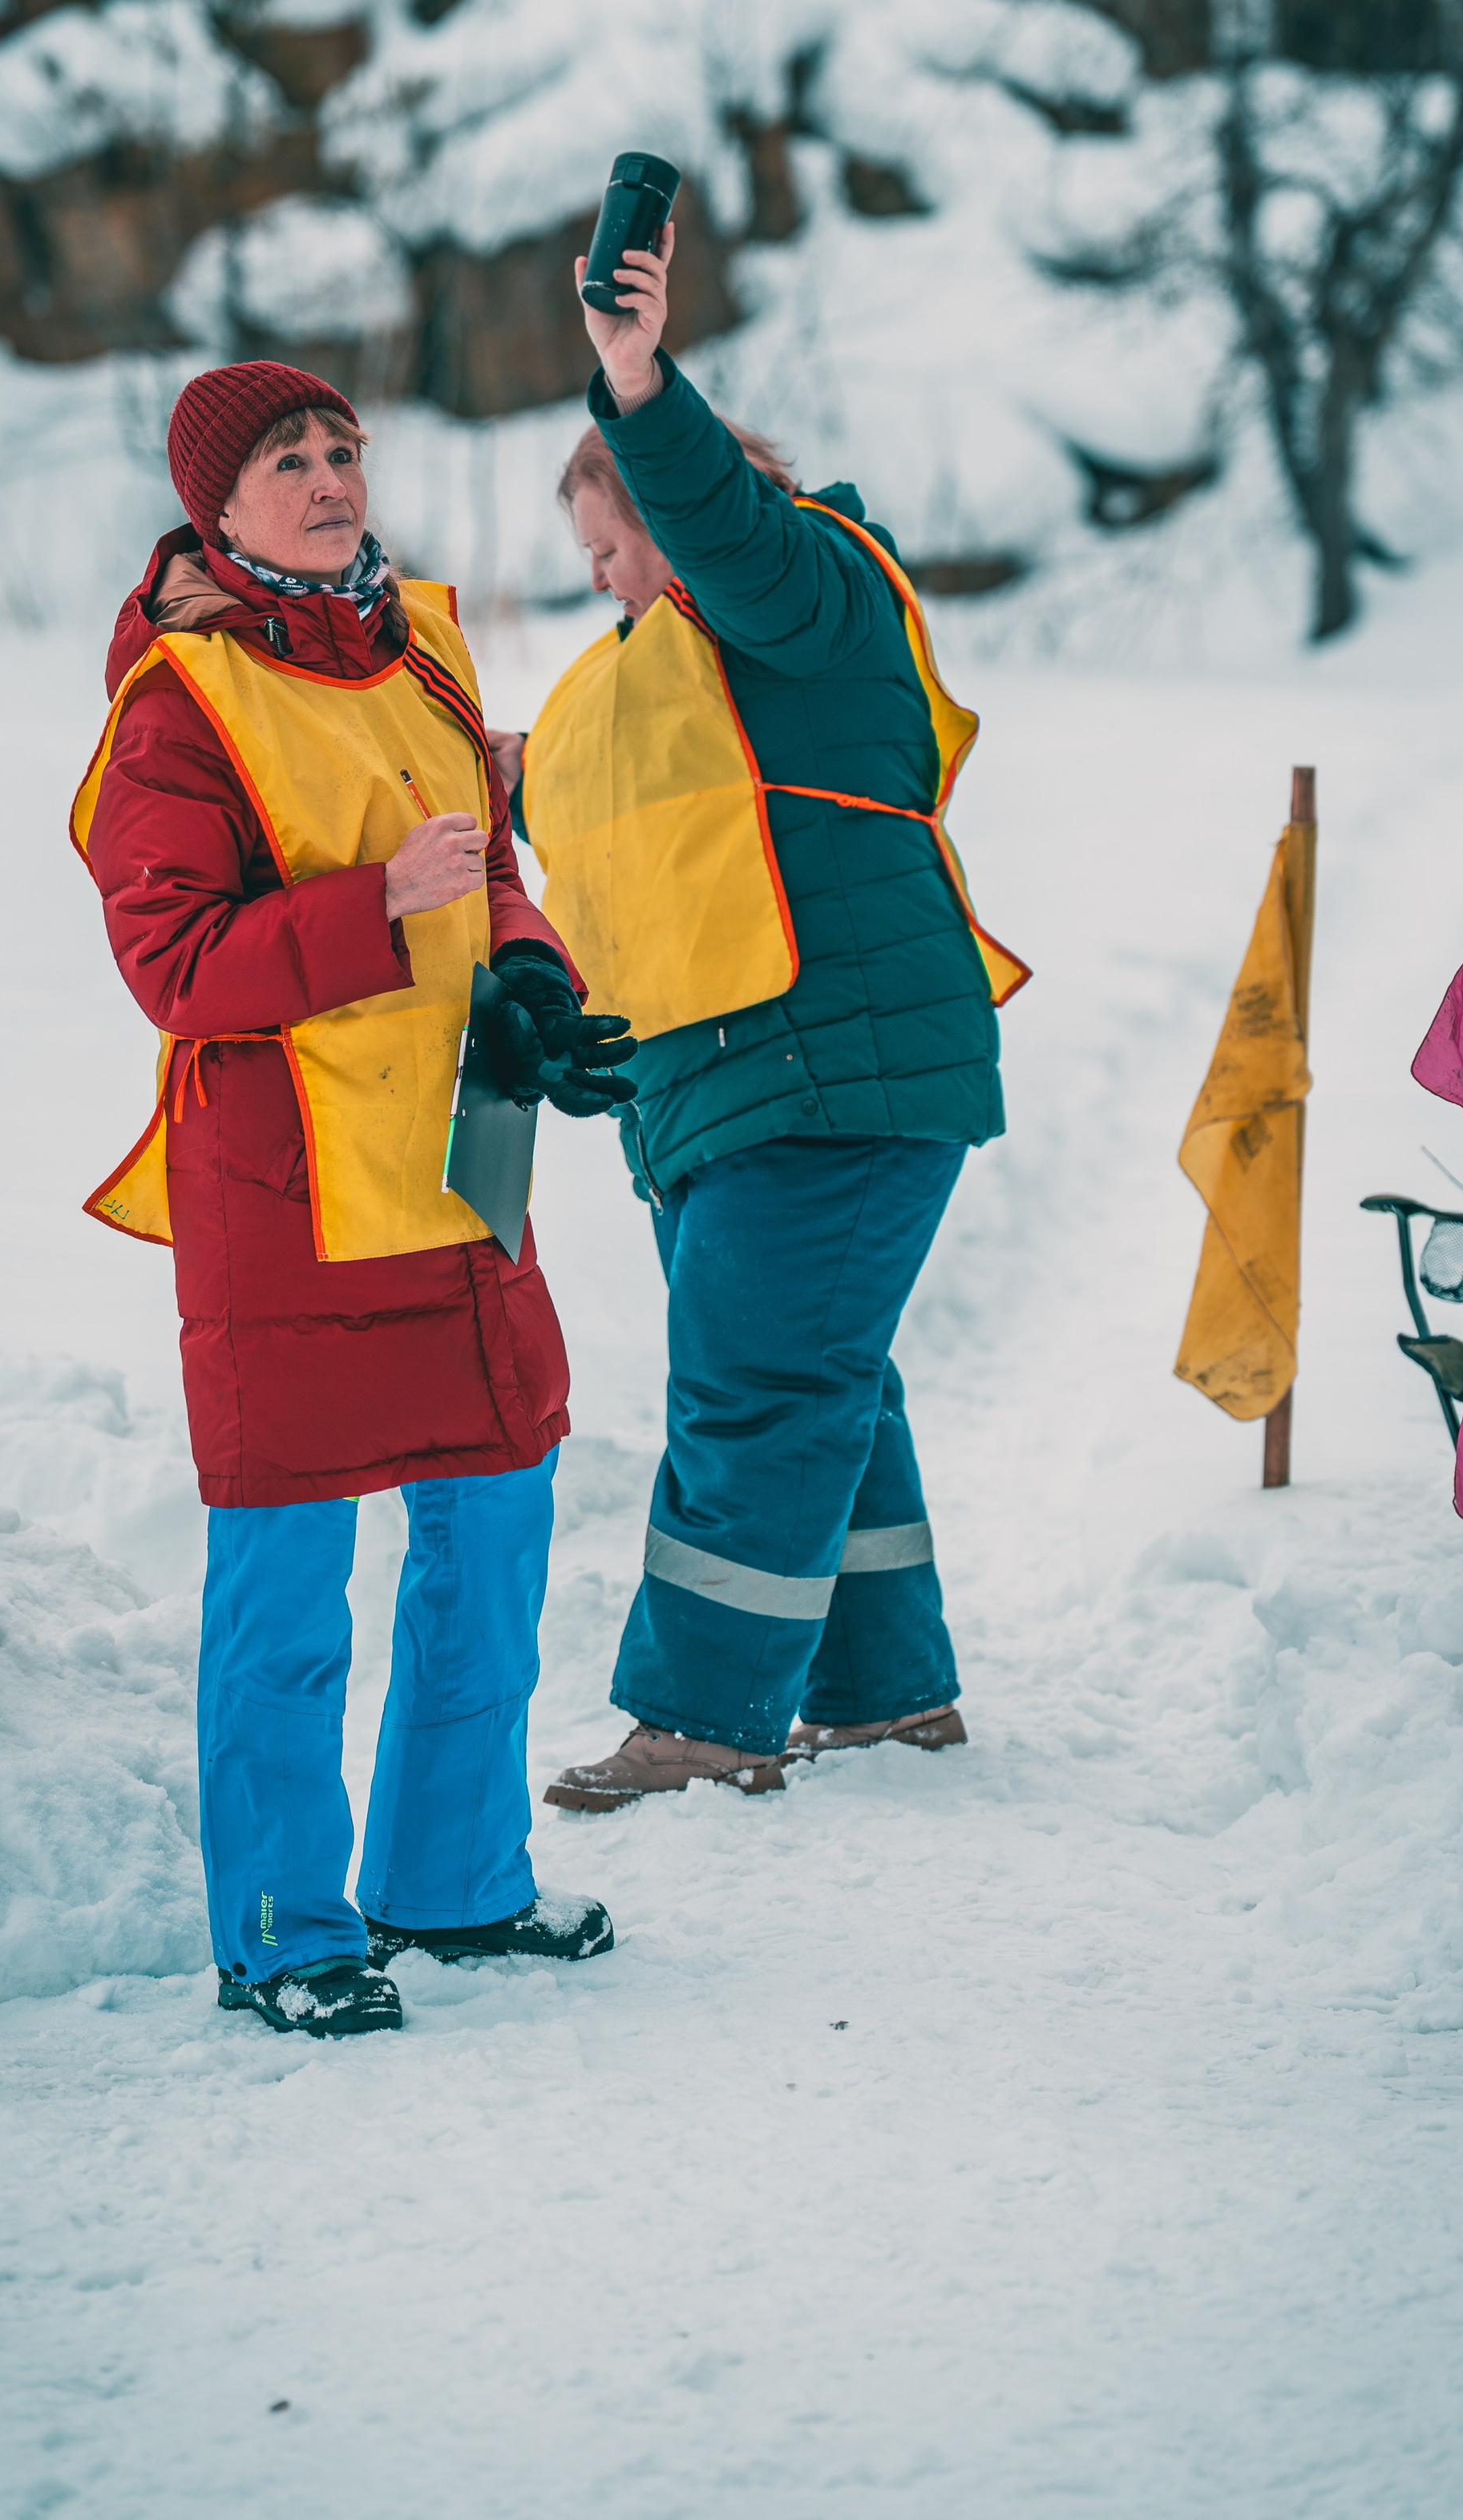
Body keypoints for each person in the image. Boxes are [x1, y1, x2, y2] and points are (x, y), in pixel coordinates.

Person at [75, 360, 637, 2037]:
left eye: (341, 450)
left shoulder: (423, 645)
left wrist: (529, 980)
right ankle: (281, 1932)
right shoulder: (175, 703)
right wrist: (375, 911)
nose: (328, 479)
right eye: (287, 461)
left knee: (496, 1527)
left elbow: (495, 871)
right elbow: (172, 964)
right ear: (214, 506)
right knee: (288, 1589)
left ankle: (453, 1887)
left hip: (462, 1174)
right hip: (285, 1191)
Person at [494, 226, 1028, 1814]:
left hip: (830, 1081)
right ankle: (881, 1691)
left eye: (610, 545)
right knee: (818, 1380)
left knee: (752, 1389)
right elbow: (582, 793)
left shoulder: (795, 590)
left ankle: (708, 1718)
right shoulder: (685, 669)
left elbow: (720, 527)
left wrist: (638, 387)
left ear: (671, 512)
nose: (599, 581)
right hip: (753, 1087)